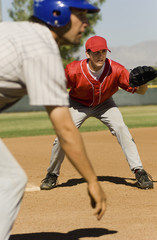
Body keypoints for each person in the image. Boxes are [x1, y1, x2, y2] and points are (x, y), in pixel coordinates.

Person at [0, 1, 107, 239]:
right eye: (81, 15)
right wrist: (92, 181)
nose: (87, 23)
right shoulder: (42, 49)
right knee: (9, 180)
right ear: (58, 14)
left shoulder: (15, 31)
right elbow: (65, 129)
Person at [40, 35, 154, 192]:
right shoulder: (73, 70)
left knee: (121, 128)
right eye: (96, 52)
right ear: (87, 54)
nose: (100, 55)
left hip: (105, 104)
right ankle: (52, 174)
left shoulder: (116, 69)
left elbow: (140, 92)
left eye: (103, 51)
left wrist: (143, 84)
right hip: (77, 105)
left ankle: (139, 171)